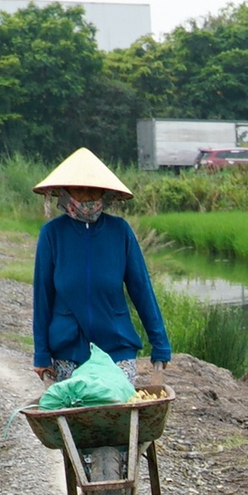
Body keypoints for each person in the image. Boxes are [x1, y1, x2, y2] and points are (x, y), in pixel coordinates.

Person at [30, 147, 171, 388]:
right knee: (79, 415)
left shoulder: (120, 232)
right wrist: (41, 354)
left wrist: (160, 344)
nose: (87, 198)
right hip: (69, 351)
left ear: (104, 195)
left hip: (117, 347)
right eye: (80, 190)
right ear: (64, 192)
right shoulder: (52, 234)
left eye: (93, 190)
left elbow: (142, 290)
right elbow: (42, 297)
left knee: (115, 407)